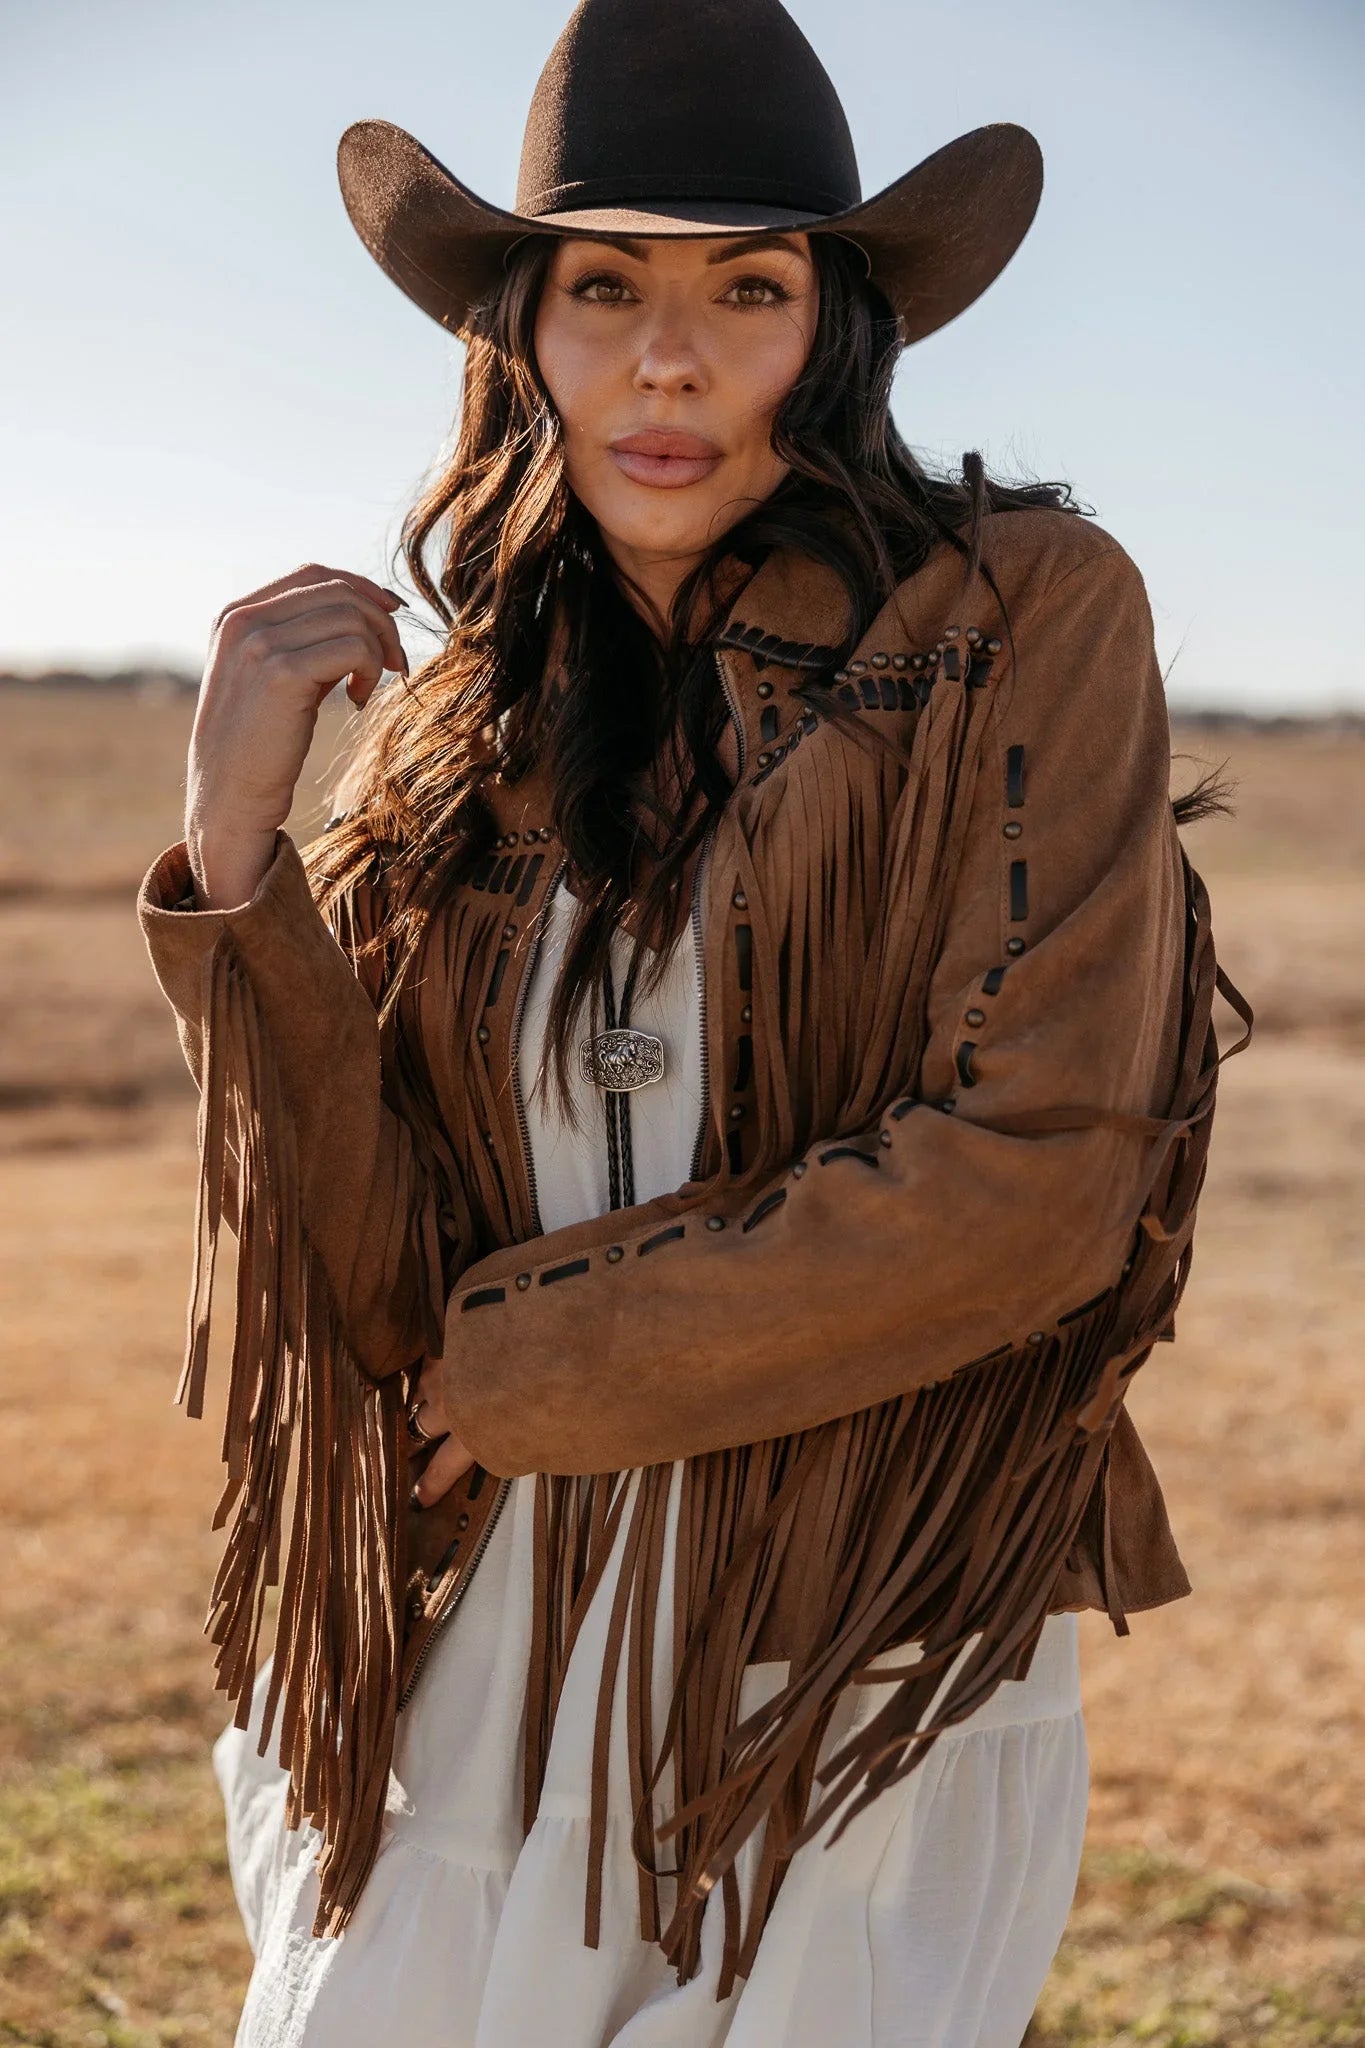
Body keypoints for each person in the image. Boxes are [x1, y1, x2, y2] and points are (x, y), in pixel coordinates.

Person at [137, 1, 1247, 2042]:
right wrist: (231, 863)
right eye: (602, 287)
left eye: (746, 287)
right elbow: (380, 1289)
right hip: (500, 1678)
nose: (668, 356)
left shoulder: (1015, 618)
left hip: (843, 1671)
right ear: (521, 333)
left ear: (832, 329)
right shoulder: (460, 735)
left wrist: (548, 1362)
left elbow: (1033, 1171)